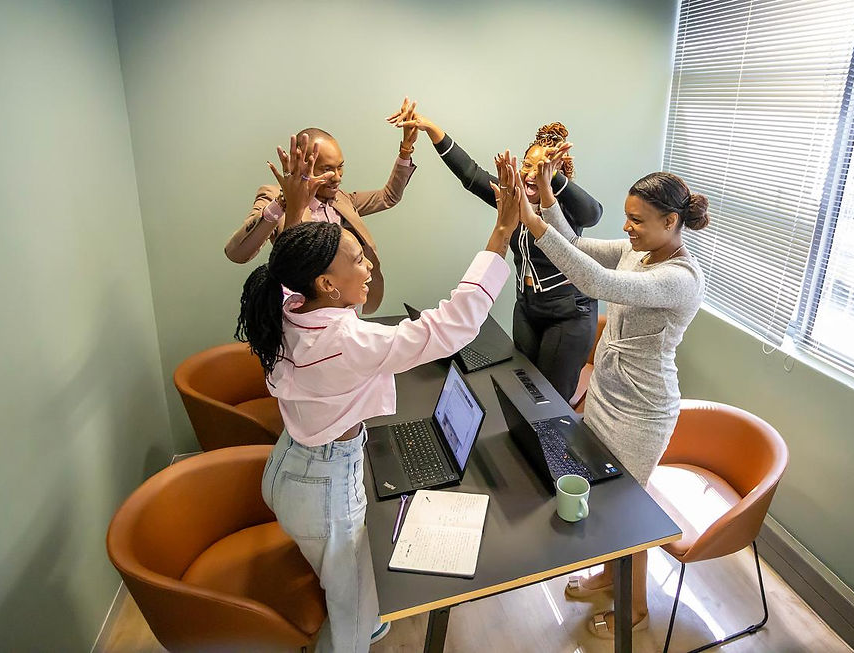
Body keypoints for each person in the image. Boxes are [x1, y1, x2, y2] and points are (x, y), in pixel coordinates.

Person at [236, 141, 520, 652]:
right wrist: (501, 231)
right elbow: (451, 326)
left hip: (288, 468)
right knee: (352, 616)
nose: (368, 263)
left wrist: (295, 207)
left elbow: (284, 267)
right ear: (328, 283)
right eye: (356, 260)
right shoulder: (348, 340)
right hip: (323, 488)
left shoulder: (286, 304)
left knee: (352, 596)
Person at [517, 159, 709, 637]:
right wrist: (545, 196)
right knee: (605, 498)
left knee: (627, 512)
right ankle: (607, 579)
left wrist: (534, 222)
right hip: (607, 394)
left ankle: (636, 608)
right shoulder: (637, 252)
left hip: (643, 412)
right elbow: (578, 246)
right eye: (628, 216)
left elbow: (594, 282)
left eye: (638, 220)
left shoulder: (679, 278)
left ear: (671, 222)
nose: (627, 227)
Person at [389, 107, 603, 401]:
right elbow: (470, 174)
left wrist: (548, 178)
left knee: (549, 401)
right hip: (528, 307)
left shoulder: (567, 210)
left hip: (569, 315)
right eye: (527, 165)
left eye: (541, 168)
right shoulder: (512, 199)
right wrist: (431, 129)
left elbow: (594, 213)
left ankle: (557, 449)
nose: (530, 174)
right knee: (523, 387)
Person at [226, 98, 420, 314]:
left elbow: (389, 196)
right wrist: (285, 201)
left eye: (340, 168)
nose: (337, 177)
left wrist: (406, 150)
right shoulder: (275, 198)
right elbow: (237, 253)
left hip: (347, 307)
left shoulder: (342, 199)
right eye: (327, 169)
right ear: (303, 165)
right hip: (302, 312)